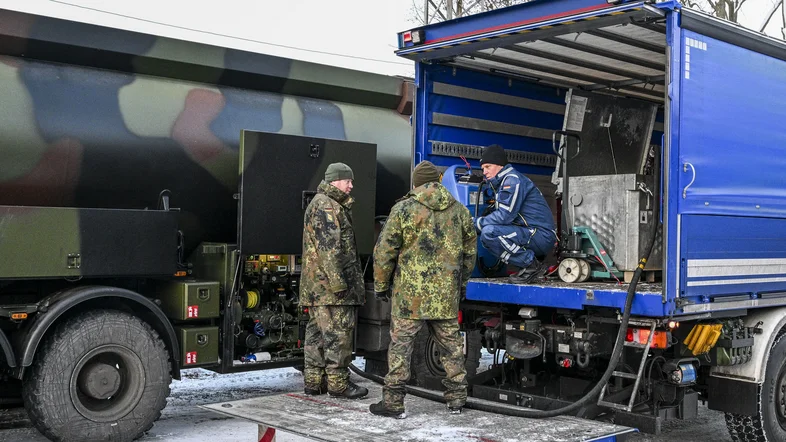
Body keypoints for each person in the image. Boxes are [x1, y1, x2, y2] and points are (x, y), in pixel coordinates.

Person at [370, 161, 477, 419]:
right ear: (438, 181)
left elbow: (384, 251)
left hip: (410, 297)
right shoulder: (459, 211)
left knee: (401, 348)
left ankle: (393, 403)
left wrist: (381, 285)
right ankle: (456, 400)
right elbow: (470, 252)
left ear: (416, 182)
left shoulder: (403, 209)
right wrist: (460, 285)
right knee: (451, 347)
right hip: (445, 296)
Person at [299, 162, 368, 399]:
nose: (351, 186)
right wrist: (339, 285)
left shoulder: (323, 203)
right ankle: (338, 385)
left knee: (317, 335)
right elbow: (329, 249)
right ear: (335, 181)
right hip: (330, 289)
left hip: (319, 288)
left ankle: (314, 382)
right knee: (338, 335)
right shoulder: (327, 205)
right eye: (347, 181)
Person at [474, 144, 557, 282]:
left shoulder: (512, 180)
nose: (484, 172)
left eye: (488, 167)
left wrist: (475, 223)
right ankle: (529, 265)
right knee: (488, 231)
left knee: (489, 233)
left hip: (540, 235)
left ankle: (531, 266)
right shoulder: (504, 181)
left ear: (500, 164)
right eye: (483, 168)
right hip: (533, 232)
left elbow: (504, 216)